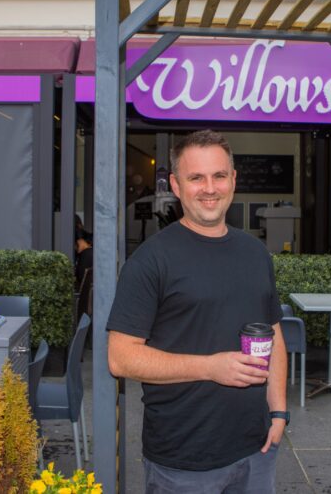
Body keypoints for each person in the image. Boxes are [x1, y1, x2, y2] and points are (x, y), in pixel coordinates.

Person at [107, 130, 288, 493]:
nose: (210, 188)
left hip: (256, 450)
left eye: (219, 175)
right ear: (176, 184)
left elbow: (273, 333)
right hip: (183, 462)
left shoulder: (255, 253)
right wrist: (209, 367)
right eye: (196, 178)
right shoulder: (150, 260)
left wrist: (279, 411)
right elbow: (120, 358)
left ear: (233, 180)